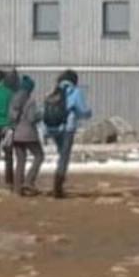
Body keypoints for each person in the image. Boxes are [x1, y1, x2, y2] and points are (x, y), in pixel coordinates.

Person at [41, 69, 91, 199]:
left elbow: (44, 110)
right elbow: (82, 110)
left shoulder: (53, 91)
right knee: (64, 155)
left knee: (61, 153)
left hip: (53, 128)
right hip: (67, 128)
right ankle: (58, 184)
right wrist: (88, 113)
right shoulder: (75, 92)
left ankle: (59, 179)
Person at [8, 74, 44, 195]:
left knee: (20, 160)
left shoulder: (13, 99)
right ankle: (29, 181)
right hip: (29, 134)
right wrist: (41, 115)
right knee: (39, 156)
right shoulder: (30, 101)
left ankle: (17, 188)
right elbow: (31, 118)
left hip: (16, 133)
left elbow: (11, 117)